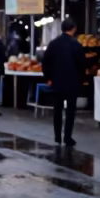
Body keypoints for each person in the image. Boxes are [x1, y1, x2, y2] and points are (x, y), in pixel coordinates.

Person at [42, 17, 86, 147]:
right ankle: (67, 137)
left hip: (57, 82)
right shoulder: (76, 44)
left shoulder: (53, 44)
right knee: (70, 111)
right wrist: (81, 79)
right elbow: (81, 64)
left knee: (57, 109)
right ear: (74, 29)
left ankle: (57, 136)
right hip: (72, 83)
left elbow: (46, 63)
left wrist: (48, 78)